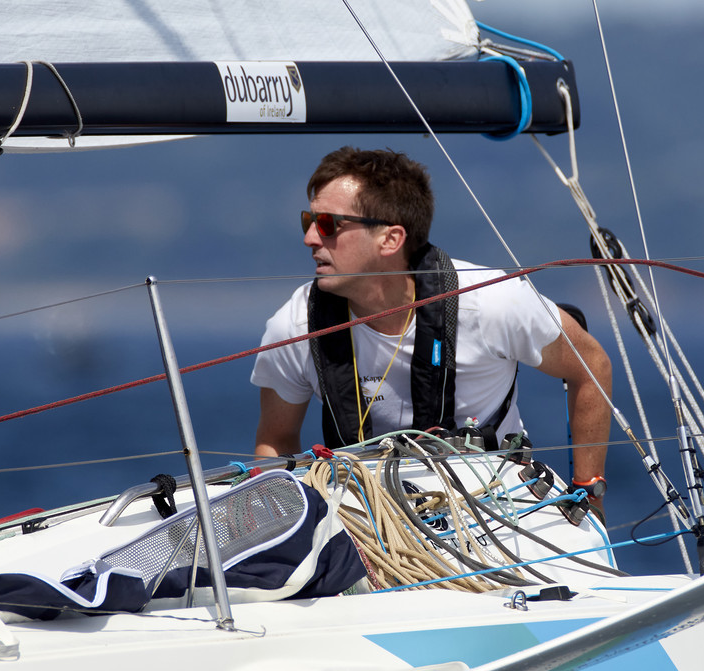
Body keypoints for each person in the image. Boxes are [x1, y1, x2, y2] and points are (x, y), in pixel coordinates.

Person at [251, 146, 612, 500]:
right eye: (308, 221)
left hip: (493, 505)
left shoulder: (493, 302)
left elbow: (591, 366)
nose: (310, 238)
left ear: (390, 239)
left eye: (328, 224)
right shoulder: (296, 326)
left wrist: (587, 493)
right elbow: (276, 441)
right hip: (364, 514)